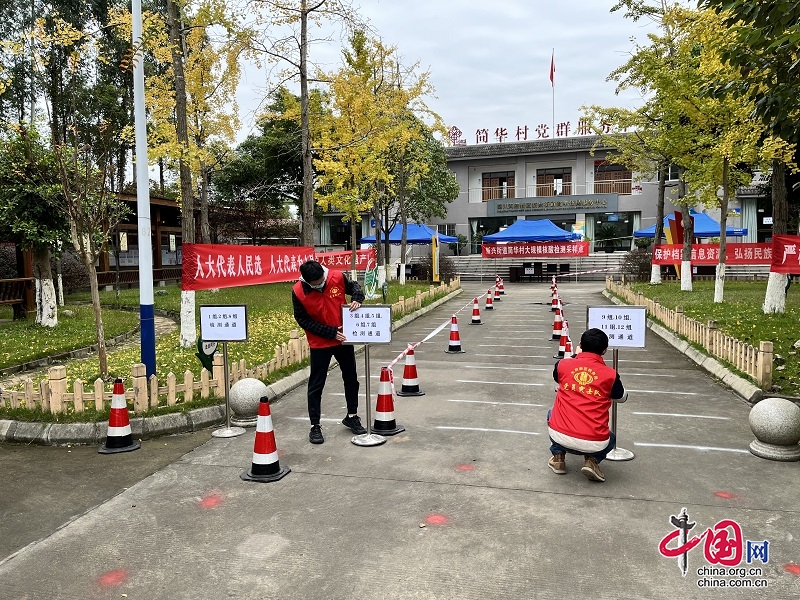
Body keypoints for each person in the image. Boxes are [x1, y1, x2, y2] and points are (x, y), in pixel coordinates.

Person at [292, 260, 367, 444]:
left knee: (351, 378)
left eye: (322, 280)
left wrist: (357, 297)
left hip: (343, 338)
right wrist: (329, 332)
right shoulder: (298, 292)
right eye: (317, 284)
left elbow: (354, 286)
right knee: (316, 384)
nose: (321, 284)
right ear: (307, 281)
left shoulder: (336, 276)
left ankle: (352, 416)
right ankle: (315, 425)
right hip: (320, 343)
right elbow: (303, 320)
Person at [547, 328, 626, 482]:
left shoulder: (562, 365)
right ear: (604, 351)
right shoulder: (610, 375)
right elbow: (621, 396)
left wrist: (577, 355)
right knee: (612, 438)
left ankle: (558, 458)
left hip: (559, 435)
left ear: (581, 345)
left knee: (551, 413)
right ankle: (592, 461)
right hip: (595, 442)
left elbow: (558, 379)